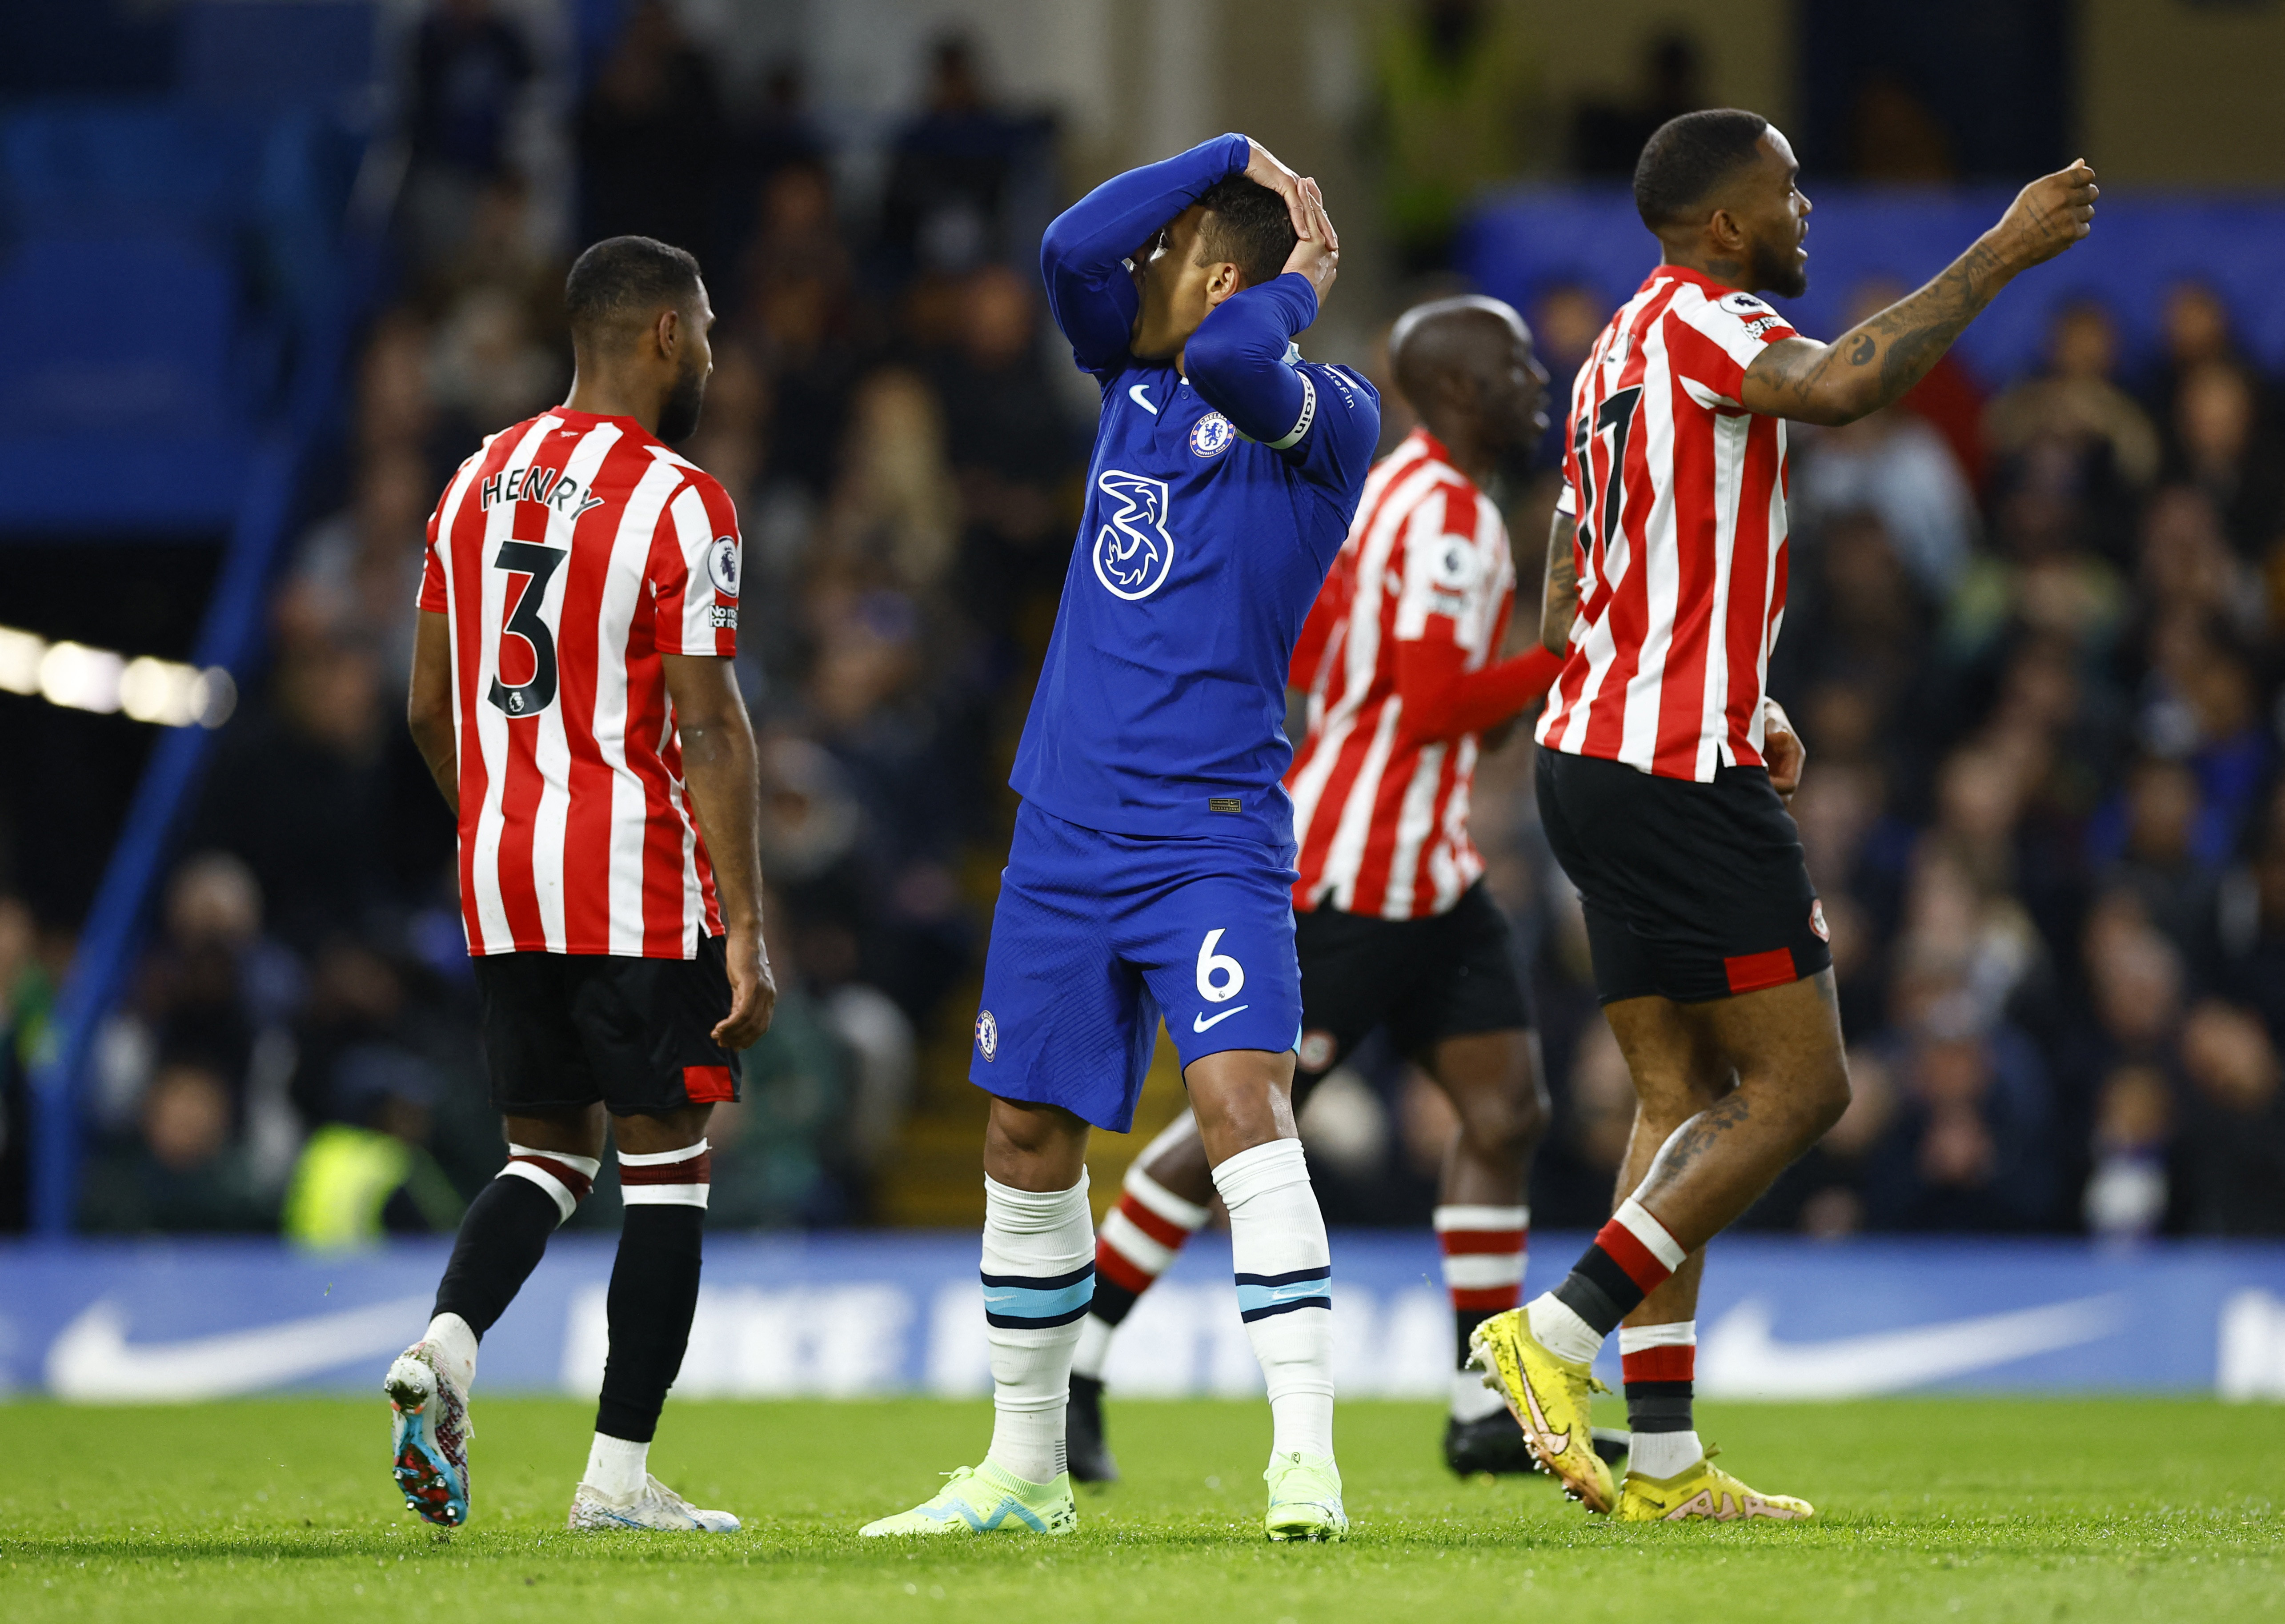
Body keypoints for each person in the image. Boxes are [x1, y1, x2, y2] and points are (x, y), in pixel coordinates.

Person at [1477, 108, 2096, 1522]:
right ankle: (1551, 1336)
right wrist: (1998, 253)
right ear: (1723, 227)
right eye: (1788, 193)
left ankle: (1665, 1463)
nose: (1807, 213)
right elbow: (1836, 393)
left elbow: (1575, 575)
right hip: (1669, 772)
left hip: (1590, 751)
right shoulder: (1709, 320)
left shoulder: (1607, 359)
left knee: (1678, 1100)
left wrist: (1719, 682)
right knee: (1802, 1089)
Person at [860, 135, 1376, 1543]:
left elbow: (1230, 362)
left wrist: (1299, 276)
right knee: (1024, 1132)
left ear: (1217, 281)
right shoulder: (1125, 381)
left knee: (1239, 1114)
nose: (1136, 272)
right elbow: (1068, 253)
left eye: (1174, 259)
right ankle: (1023, 1471)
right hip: (1066, 827)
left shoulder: (1328, 413)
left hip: (1208, 830)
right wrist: (1219, 157)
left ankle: (1303, 1462)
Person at [1065, 294, 1611, 1483]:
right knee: (1232, 1140)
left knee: (1505, 1111)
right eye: (1518, 366)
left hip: (1427, 874)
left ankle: (1484, 1405)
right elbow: (1433, 706)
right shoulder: (1451, 520)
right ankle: (1074, 1362)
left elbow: (1315, 650)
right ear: (1462, 391)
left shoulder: (1407, 499)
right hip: (1345, 882)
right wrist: (1560, 653)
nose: (1538, 383)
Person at [383, 235, 777, 1533]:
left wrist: (504, 819)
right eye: (708, 325)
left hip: (502, 878)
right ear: (666, 334)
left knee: (546, 1154)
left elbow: (429, 706)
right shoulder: (682, 500)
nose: (716, 350)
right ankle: (615, 1481)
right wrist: (748, 929)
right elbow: (710, 728)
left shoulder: (475, 478)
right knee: (668, 1172)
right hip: (634, 880)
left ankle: (446, 1342)